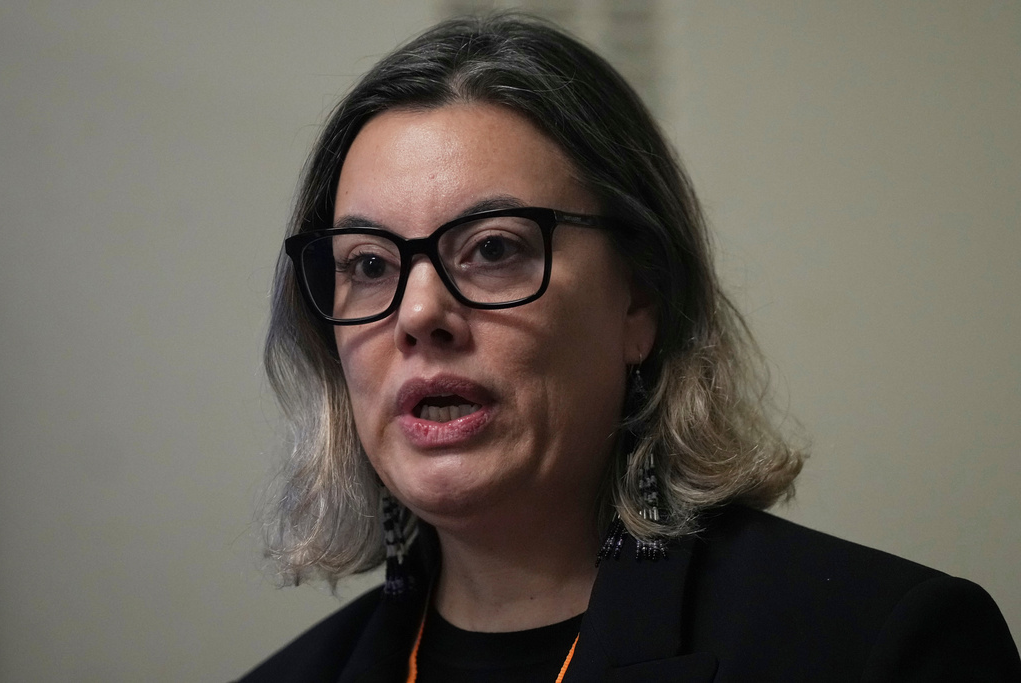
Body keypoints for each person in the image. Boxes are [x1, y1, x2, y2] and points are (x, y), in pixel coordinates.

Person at [239, 14, 1020, 682]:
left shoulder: (887, 648)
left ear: (640, 300)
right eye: (367, 265)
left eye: (494, 248)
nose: (418, 312)